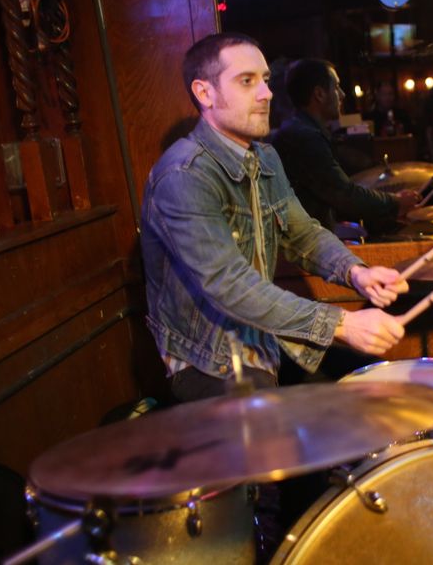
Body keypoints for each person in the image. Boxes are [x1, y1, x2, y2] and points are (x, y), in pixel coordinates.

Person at [141, 33, 409, 403]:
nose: (266, 93)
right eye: (246, 81)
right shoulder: (183, 176)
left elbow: (303, 233)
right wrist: (342, 323)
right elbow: (229, 285)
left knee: (379, 388)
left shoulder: (265, 158)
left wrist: (355, 272)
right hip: (209, 362)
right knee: (310, 424)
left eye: (265, 80)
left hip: (263, 339)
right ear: (205, 93)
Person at [271, 58, 421, 233]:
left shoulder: (299, 129)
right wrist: (396, 202)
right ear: (319, 94)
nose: (342, 95)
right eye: (336, 87)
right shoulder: (305, 137)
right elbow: (344, 194)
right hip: (305, 242)